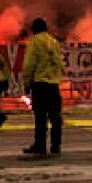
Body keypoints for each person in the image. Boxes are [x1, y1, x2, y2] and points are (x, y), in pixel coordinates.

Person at [22, 18, 64, 155]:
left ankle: (40, 145)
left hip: (40, 84)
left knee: (40, 117)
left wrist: (27, 83)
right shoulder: (54, 42)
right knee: (55, 117)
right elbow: (59, 63)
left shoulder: (34, 42)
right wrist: (56, 78)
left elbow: (29, 65)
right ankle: (56, 145)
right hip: (53, 85)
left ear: (34, 29)